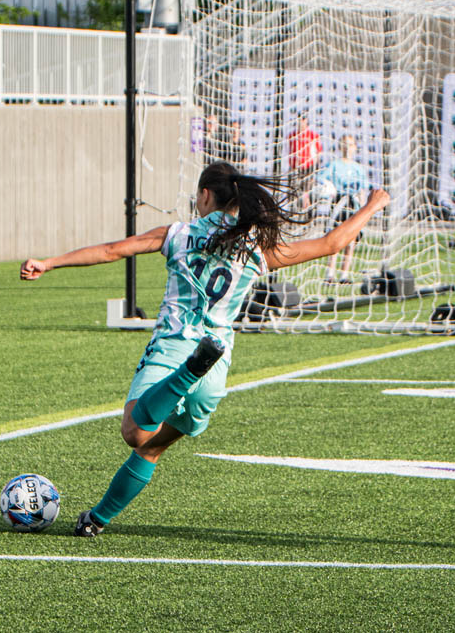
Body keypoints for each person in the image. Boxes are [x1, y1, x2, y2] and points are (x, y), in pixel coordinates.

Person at [19, 163, 390, 537]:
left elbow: (113, 250)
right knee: (151, 448)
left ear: (206, 195)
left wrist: (49, 263)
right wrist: (372, 206)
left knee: (135, 431)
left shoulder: (178, 234)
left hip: (175, 346)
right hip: (218, 362)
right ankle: (96, 520)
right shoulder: (257, 246)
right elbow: (332, 244)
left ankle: (185, 374)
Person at [309, 134, 370, 283]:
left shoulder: (358, 169)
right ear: (339, 147)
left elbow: (362, 189)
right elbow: (320, 178)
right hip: (339, 204)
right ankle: (330, 274)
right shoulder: (334, 165)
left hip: (353, 205)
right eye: (344, 144)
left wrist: (362, 208)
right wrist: (328, 188)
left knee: (351, 240)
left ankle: (344, 274)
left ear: (355, 147)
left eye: (350, 144)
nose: (347, 148)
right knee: (336, 238)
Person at [286, 111, 323, 201]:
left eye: (303, 119)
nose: (301, 122)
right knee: (293, 192)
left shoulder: (313, 135)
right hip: (295, 168)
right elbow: (289, 151)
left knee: (308, 191)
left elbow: (318, 153)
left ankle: (309, 211)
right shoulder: (292, 135)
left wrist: (315, 168)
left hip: (309, 168)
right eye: (300, 119)